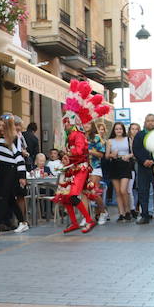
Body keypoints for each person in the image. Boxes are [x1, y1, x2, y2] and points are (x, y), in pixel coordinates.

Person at [53, 81, 108, 233]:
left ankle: (90, 220)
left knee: (72, 196)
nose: (64, 125)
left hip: (81, 169)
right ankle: (75, 222)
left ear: (71, 122)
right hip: (72, 169)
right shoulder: (70, 135)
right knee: (65, 198)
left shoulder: (78, 135)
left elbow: (79, 151)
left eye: (66, 122)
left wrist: (68, 153)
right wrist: (65, 157)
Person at [132, 114, 154, 225]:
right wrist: (144, 161)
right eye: (148, 121)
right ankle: (145, 216)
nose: (150, 123)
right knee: (143, 191)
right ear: (145, 122)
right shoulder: (140, 135)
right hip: (143, 167)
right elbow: (136, 149)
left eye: (152, 121)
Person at [106, 122, 134, 220]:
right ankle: (121, 213)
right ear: (114, 130)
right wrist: (112, 154)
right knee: (117, 192)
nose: (118, 131)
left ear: (123, 130)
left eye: (120, 129)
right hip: (114, 165)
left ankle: (128, 210)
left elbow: (133, 153)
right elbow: (106, 156)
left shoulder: (128, 139)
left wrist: (128, 156)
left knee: (123, 190)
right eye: (116, 129)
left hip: (125, 165)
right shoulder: (110, 141)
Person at [87, 119, 109, 225]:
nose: (86, 126)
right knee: (85, 193)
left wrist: (90, 151)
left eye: (88, 124)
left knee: (94, 191)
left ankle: (103, 212)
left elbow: (101, 154)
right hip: (83, 168)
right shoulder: (80, 137)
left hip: (95, 167)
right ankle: (87, 216)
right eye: (84, 124)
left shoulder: (96, 137)